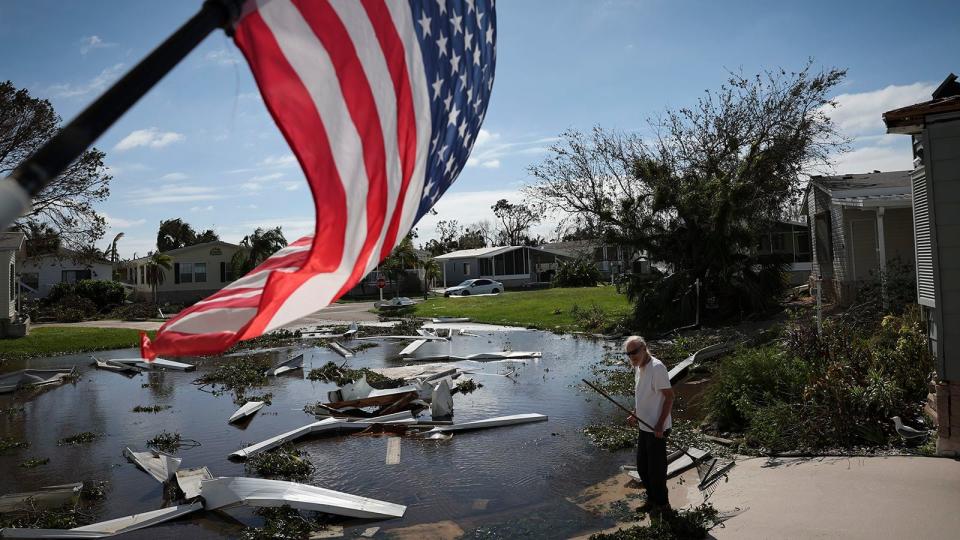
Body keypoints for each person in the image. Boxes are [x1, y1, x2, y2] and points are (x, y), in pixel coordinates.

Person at [624, 335, 674, 512]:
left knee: (656, 471)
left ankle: (663, 505)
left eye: (635, 352)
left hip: (657, 429)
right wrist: (635, 414)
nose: (632, 356)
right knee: (643, 468)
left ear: (644, 348)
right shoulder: (638, 368)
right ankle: (652, 499)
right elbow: (643, 396)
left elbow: (669, 397)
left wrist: (660, 424)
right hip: (644, 426)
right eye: (628, 353)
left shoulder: (657, 368)